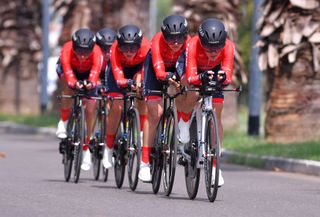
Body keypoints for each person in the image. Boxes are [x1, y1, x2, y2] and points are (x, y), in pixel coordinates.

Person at [178, 18, 235, 186]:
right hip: (193, 68)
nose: (213, 51)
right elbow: (190, 77)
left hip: (214, 69)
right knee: (193, 91)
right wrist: (200, 78)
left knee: (216, 116)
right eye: (209, 46)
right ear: (202, 42)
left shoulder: (229, 47)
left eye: (217, 46)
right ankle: (184, 119)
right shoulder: (193, 45)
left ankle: (216, 166)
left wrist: (222, 77)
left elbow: (228, 78)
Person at [143, 14, 189, 182]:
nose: (175, 43)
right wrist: (165, 75)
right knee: (155, 113)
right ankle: (145, 162)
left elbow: (188, 69)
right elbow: (159, 69)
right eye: (170, 38)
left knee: (185, 95)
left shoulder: (188, 44)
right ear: (164, 35)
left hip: (177, 67)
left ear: (185, 35)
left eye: (179, 38)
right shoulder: (157, 41)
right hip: (157, 69)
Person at [102, 25, 150, 180]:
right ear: (119, 45)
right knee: (116, 105)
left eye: (133, 48)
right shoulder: (114, 50)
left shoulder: (146, 48)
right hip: (119, 72)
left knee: (141, 95)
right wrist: (124, 82)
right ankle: (108, 147)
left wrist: (139, 82)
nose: (129, 52)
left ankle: (142, 133)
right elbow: (117, 75)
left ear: (139, 45)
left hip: (137, 69)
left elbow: (145, 69)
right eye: (125, 48)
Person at [55, 28, 103, 171]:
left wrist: (91, 83)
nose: (82, 55)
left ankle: (86, 147)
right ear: (74, 46)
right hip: (68, 70)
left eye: (86, 51)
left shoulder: (97, 52)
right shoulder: (67, 49)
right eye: (79, 51)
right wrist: (73, 83)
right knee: (68, 88)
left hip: (88, 73)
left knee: (90, 106)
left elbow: (95, 73)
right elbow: (68, 72)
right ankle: (63, 121)